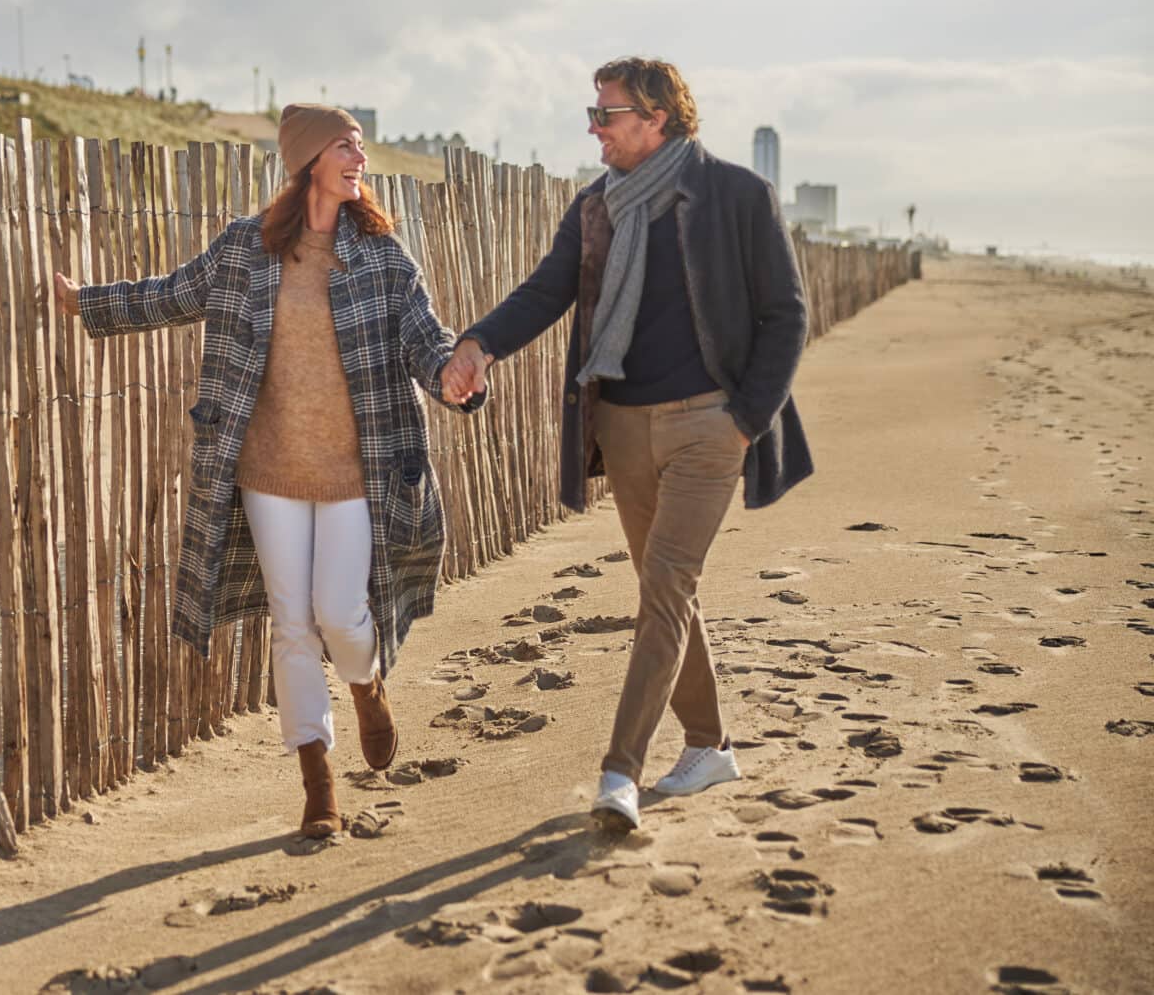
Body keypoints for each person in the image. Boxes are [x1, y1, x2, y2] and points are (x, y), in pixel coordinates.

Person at [52, 105, 483, 838]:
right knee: (291, 624)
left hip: (355, 473)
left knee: (341, 615)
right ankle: (318, 784)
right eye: (345, 145)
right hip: (266, 473)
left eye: (359, 145)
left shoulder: (382, 255)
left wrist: (450, 375)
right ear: (309, 158)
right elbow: (170, 294)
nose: (360, 156)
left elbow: (425, 340)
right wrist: (84, 302)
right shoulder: (243, 251)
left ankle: (366, 683)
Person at [441, 58, 810, 836]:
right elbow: (547, 291)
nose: (594, 126)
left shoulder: (738, 196)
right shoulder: (596, 208)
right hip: (623, 427)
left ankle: (621, 772)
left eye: (606, 113)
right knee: (666, 590)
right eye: (595, 110)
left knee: (665, 589)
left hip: (709, 426)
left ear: (657, 119)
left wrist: (744, 419)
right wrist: (479, 343)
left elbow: (787, 314)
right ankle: (709, 746)